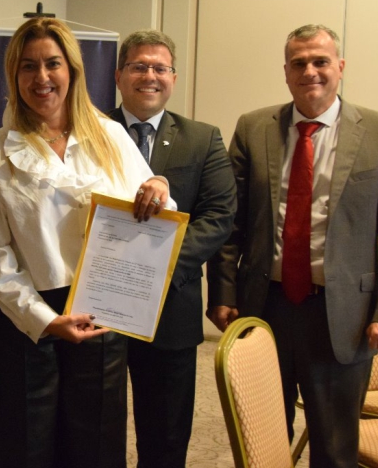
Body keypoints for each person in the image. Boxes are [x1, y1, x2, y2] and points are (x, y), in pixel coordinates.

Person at [207, 24, 378, 468]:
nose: (310, 72)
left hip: (343, 315)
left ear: (340, 67)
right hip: (266, 305)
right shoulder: (253, 128)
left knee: (335, 448)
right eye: (299, 63)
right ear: (285, 72)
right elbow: (231, 223)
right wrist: (223, 291)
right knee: (262, 437)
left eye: (320, 61)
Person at [0, 17, 175, 468]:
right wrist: (43, 320)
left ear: (73, 70)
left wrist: (158, 186)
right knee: (28, 446)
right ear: (13, 75)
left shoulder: (111, 136)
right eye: (28, 66)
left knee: (96, 443)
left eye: (52, 64)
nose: (41, 77)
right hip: (29, 321)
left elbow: (155, 212)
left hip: (101, 309)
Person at [108, 30, 236, 468]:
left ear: (173, 78)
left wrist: (154, 267)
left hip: (172, 306)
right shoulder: (90, 132)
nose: (150, 75)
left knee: (165, 435)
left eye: (160, 68)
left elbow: (218, 216)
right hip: (100, 306)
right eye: (138, 66)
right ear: (119, 76)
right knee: (96, 430)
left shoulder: (202, 138)